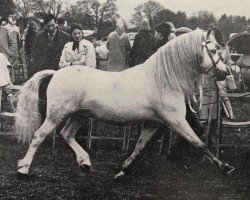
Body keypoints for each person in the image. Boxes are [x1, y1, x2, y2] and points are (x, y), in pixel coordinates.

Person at [5, 15, 21, 82]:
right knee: (8, 63)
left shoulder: (16, 28)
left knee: (11, 63)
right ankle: (10, 79)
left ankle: (11, 79)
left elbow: (18, 39)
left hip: (14, 48)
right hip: (9, 48)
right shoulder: (6, 28)